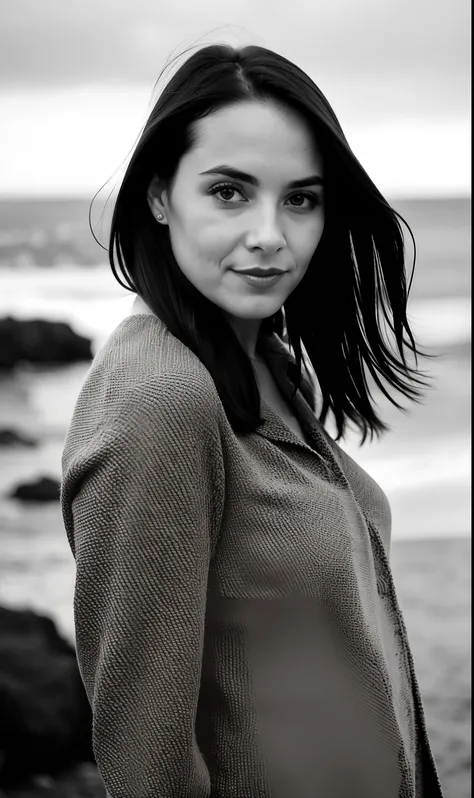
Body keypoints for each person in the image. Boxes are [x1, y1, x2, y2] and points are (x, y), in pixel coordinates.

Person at [61, 43, 444, 798]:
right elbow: (149, 768)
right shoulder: (162, 405)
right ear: (160, 194)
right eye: (230, 192)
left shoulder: (264, 362)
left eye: (300, 198)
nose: (272, 233)